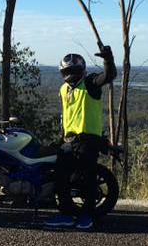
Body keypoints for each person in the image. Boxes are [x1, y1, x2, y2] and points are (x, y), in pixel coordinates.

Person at [44, 45, 116, 230]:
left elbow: (108, 76)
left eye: (74, 71)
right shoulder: (63, 89)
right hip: (68, 140)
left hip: (88, 139)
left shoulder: (90, 83)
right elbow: (66, 115)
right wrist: (61, 137)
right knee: (61, 177)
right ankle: (67, 214)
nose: (71, 74)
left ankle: (87, 216)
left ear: (82, 71)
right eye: (67, 71)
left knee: (88, 178)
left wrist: (108, 59)